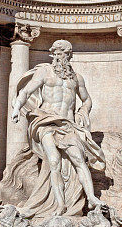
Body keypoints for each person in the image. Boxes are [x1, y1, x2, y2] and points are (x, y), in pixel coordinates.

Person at [7, 39, 106, 217]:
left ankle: (91, 198)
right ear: (52, 54)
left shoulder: (76, 78)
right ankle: (59, 204)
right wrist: (16, 108)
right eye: (58, 53)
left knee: (79, 159)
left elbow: (87, 99)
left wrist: (83, 112)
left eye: (65, 53)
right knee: (53, 161)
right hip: (45, 121)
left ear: (70, 55)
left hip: (68, 125)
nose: (61, 57)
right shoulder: (44, 72)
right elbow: (26, 91)